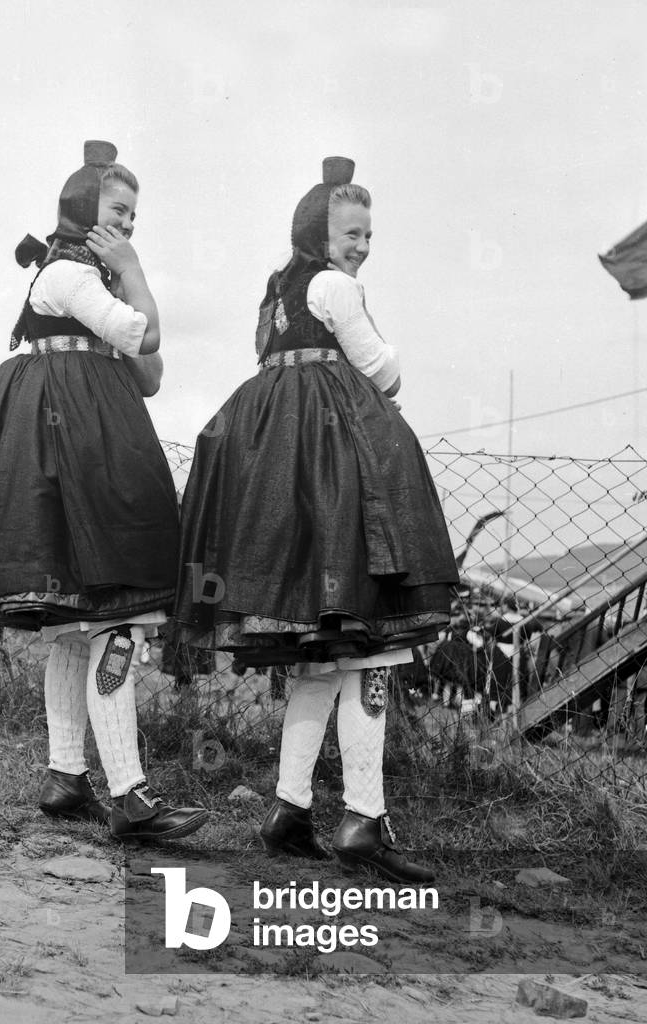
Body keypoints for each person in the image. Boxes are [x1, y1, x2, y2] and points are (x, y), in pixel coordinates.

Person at [174, 157, 459, 882]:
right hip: (338, 469)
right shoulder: (336, 286)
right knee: (367, 648)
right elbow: (386, 372)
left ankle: (290, 807)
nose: (362, 244)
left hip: (282, 474)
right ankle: (364, 817)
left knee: (319, 658)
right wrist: (379, 346)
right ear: (320, 233)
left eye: (368, 232)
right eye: (351, 231)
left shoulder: (278, 291)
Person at [0, 140, 207, 843]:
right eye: (117, 212)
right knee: (108, 615)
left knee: (82, 625)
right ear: (83, 211)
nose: (127, 227)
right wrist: (134, 274)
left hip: (93, 433)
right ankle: (132, 796)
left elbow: (151, 374)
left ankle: (66, 777)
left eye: (135, 218)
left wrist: (125, 292)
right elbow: (142, 335)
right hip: (67, 447)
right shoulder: (65, 274)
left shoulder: (94, 283)